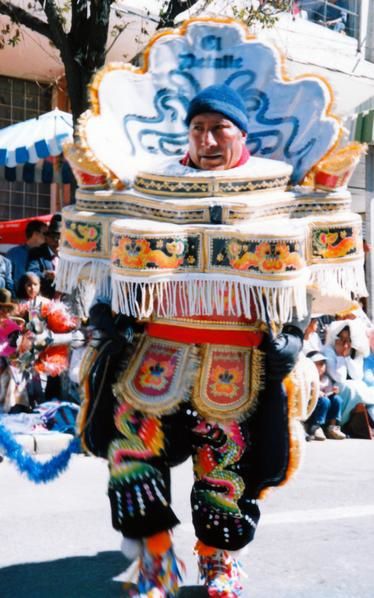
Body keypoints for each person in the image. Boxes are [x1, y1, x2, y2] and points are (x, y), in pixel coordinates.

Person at [80, 85, 305, 597]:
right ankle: (156, 558)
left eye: (219, 128)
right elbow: (118, 262)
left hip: (238, 357)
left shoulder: (272, 194)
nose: (206, 139)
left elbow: (299, 278)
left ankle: (219, 558)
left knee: (225, 460)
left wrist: (292, 335)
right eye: (198, 128)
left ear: (241, 133)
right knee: (132, 451)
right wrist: (105, 315)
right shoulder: (154, 190)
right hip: (154, 354)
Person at [323, 319, 374, 426]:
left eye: (347, 339)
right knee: (349, 387)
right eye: (341, 337)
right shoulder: (328, 350)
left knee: (358, 386)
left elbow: (358, 376)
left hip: (351, 386)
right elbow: (339, 378)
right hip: (332, 389)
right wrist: (340, 356)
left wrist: (347, 357)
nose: (344, 342)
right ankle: (338, 422)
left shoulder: (356, 351)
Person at [305, 351, 346, 440]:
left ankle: (332, 427)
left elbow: (329, 393)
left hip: (325, 411)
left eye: (322, 364)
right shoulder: (308, 378)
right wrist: (316, 392)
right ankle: (316, 427)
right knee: (324, 400)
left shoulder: (326, 379)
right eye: (317, 364)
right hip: (312, 412)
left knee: (337, 399)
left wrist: (333, 391)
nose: (320, 367)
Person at [6, 219, 48, 296]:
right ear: (35, 234)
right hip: (18, 300)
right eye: (45, 233)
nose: (48, 236)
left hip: (41, 301)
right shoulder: (14, 253)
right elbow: (7, 278)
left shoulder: (47, 255)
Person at [28, 214, 61, 299]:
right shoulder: (37, 253)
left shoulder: (68, 255)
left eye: (60, 237)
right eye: (53, 236)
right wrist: (45, 274)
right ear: (46, 237)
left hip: (65, 299)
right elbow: (32, 272)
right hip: (43, 298)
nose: (56, 240)